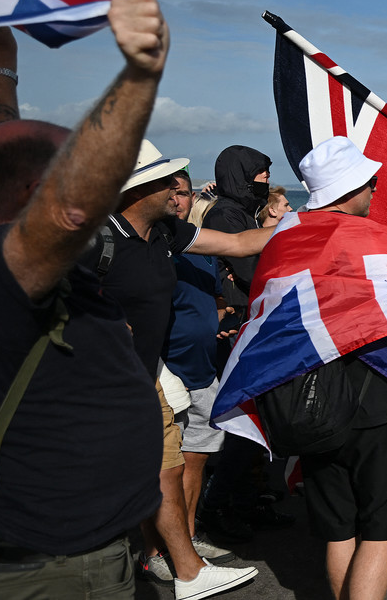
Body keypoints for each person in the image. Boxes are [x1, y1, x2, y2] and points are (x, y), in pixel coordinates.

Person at [0, 0, 254, 599]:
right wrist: (140, 75)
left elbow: (1, 154)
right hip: (53, 565)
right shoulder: (5, 267)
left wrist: (2, 68)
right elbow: (68, 209)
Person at [87, 139, 270, 590]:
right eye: (163, 181)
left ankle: (183, 569)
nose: (176, 188)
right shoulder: (97, 239)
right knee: (121, 474)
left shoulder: (166, 233)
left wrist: (316, 224)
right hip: (100, 384)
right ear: (134, 191)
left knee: (167, 467)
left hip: (146, 376)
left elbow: (240, 242)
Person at [268, 135, 387, 599]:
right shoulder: (370, 237)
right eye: (372, 183)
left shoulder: (284, 234)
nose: (375, 191)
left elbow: (263, 322)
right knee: (381, 527)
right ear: (354, 186)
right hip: (372, 399)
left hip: (308, 402)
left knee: (338, 526)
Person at [199, 144, 291, 543]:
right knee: (243, 422)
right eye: (260, 174)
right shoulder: (227, 214)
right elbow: (251, 269)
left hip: (244, 323)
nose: (265, 180)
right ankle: (219, 507)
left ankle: (246, 499)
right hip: (236, 327)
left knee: (256, 420)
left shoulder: (241, 212)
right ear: (240, 175)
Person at [165, 171, 236, 567]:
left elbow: (216, 301)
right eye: (171, 193)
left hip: (203, 372)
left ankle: (187, 539)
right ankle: (157, 552)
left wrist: (221, 321)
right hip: (166, 372)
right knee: (163, 468)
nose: (179, 200)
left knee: (195, 461)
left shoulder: (203, 251)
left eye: (185, 193)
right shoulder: (150, 248)